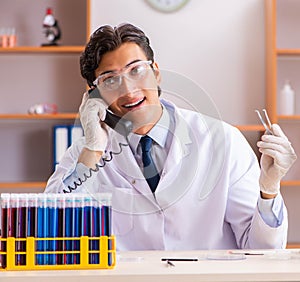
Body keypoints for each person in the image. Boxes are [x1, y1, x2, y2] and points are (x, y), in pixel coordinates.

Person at [45, 23, 297, 251]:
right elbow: (51, 235)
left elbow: (263, 251)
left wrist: (269, 190)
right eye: (110, 80)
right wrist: (92, 149)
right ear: (95, 96)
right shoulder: (87, 153)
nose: (128, 90)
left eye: (136, 70)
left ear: (155, 73)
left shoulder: (223, 141)